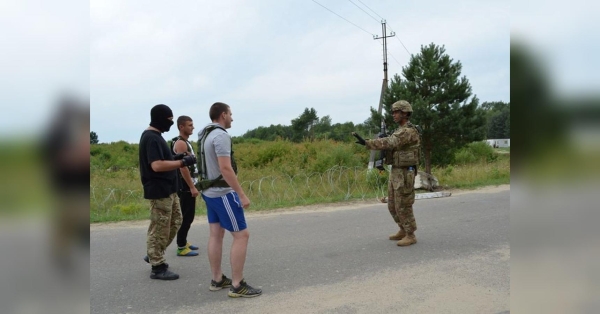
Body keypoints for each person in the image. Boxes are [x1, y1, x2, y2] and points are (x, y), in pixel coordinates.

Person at [197, 102, 262, 298]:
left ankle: (217, 279)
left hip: (209, 192)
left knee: (216, 234)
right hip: (223, 194)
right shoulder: (221, 135)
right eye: (231, 114)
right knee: (242, 236)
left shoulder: (204, 134)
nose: (232, 118)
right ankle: (237, 284)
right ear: (223, 115)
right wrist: (241, 194)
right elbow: (225, 168)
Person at [139, 104, 196, 280]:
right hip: (159, 191)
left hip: (170, 190)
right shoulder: (151, 138)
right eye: (169, 120)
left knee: (176, 221)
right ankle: (157, 266)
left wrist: (176, 158)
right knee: (160, 228)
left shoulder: (157, 137)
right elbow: (156, 165)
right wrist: (182, 163)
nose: (170, 123)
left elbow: (163, 160)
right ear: (160, 118)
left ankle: (154, 252)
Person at [353, 100, 421, 246]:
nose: (394, 115)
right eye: (393, 112)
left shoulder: (407, 131)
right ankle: (402, 229)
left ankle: (410, 234)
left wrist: (368, 143)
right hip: (396, 170)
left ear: (405, 113)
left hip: (405, 173)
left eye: (397, 112)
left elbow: (390, 142)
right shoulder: (399, 130)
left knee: (403, 204)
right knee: (392, 204)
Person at [171, 115, 200, 257]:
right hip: (185, 186)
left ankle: (183, 241)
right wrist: (192, 187)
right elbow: (183, 168)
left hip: (188, 184)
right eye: (189, 125)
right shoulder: (181, 143)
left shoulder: (185, 142)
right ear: (181, 127)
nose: (192, 127)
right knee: (186, 216)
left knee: (188, 215)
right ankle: (181, 246)